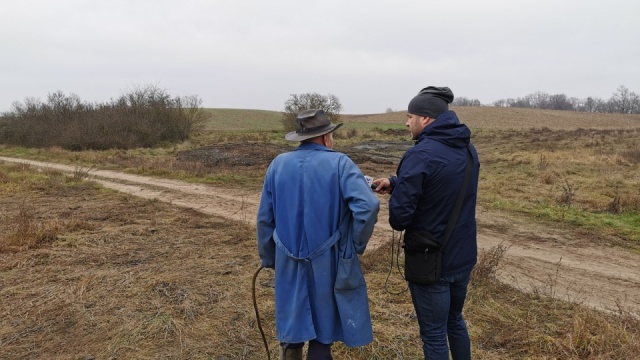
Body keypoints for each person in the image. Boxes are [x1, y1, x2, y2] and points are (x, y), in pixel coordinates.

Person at [257, 109, 380, 360]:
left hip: (287, 259)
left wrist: (270, 258)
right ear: (326, 137)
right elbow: (368, 206)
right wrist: (354, 244)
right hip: (329, 260)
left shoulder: (278, 164)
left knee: (292, 319)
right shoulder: (340, 163)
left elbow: (264, 219)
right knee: (323, 330)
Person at [373, 86, 480, 359]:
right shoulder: (468, 149)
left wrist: (395, 197)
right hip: (463, 257)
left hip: (431, 263)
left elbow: (399, 219)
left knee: (433, 335)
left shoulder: (419, 155)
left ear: (426, 118)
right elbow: (444, 184)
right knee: (455, 321)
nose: (407, 122)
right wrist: (396, 182)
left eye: (410, 116)